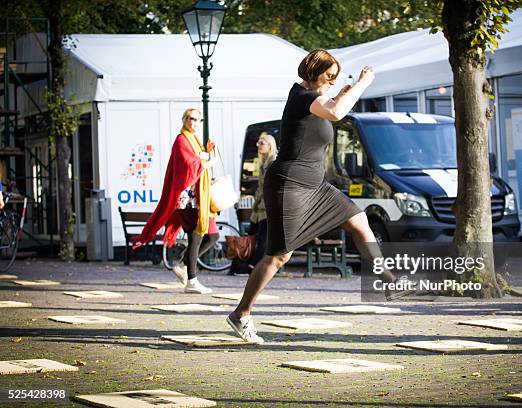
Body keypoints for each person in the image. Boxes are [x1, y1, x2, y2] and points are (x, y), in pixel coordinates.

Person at [226, 49, 399, 343]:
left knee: (358, 220)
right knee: (279, 256)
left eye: (336, 75)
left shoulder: (313, 98)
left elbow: (329, 108)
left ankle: (389, 282)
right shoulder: (302, 97)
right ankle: (240, 314)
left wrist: (340, 91)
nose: (333, 79)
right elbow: (335, 112)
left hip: (316, 186)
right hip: (289, 184)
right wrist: (362, 83)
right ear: (312, 71)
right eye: (329, 74)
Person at [134, 108, 219, 294]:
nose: (193, 122)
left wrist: (208, 153)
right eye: (190, 118)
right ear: (184, 120)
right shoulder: (181, 140)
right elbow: (190, 165)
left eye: (197, 119)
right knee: (195, 236)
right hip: (187, 199)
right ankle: (192, 280)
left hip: (199, 198)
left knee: (212, 235)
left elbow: (197, 163)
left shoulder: (194, 140)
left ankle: (183, 265)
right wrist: (207, 161)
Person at [230, 132, 278, 276]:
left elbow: (271, 187)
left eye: (262, 143)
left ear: (270, 145)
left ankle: (252, 266)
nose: (258, 145)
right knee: (252, 236)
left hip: (268, 209)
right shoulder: (263, 163)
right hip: (260, 209)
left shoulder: (273, 162)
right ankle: (242, 264)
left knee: (262, 238)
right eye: (258, 143)